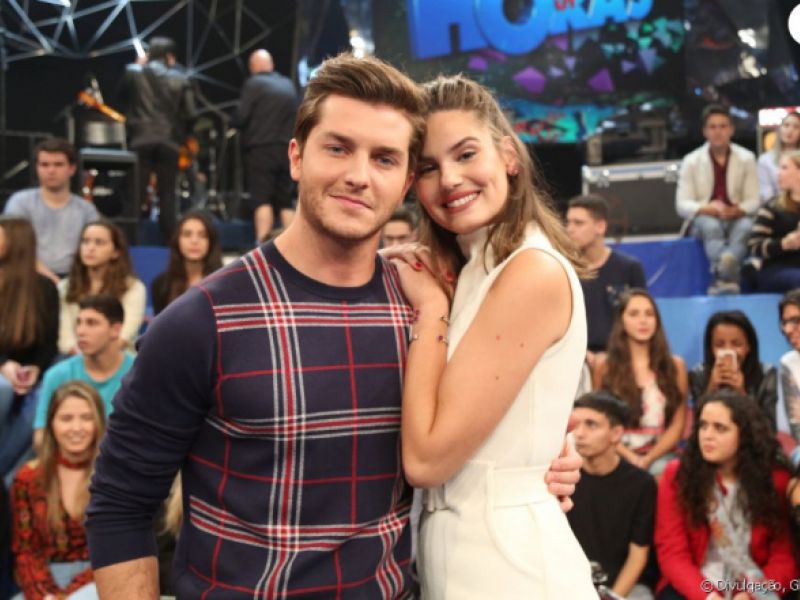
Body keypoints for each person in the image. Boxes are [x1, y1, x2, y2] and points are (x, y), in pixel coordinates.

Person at [84, 54, 582, 599]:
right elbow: (120, 505)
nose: (358, 176)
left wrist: (539, 460)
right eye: (338, 148)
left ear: (405, 181)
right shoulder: (203, 321)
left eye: (384, 158)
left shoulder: (426, 306)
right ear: (296, 157)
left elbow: (485, 420)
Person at [387, 73, 595, 597]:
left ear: (508, 155)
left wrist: (431, 311)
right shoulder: (471, 268)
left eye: (465, 154)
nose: (450, 179)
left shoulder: (530, 271)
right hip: (466, 558)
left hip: (511, 570)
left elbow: (426, 460)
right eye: (428, 167)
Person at [654, 390, 797, 599]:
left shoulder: (775, 479)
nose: (707, 435)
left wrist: (751, 595)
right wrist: (708, 596)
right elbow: (673, 554)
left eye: (720, 428)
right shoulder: (678, 476)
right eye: (703, 426)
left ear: (744, 435)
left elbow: (783, 557)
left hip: (754, 586)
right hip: (696, 587)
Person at [10, 381, 105, 600]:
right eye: (66, 419)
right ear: (51, 424)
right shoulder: (28, 478)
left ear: (99, 422)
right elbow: (26, 552)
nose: (76, 428)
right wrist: (45, 595)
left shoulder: (113, 477)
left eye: (86, 418)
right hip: (44, 584)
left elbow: (117, 549)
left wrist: (66, 596)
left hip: (100, 580)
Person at [568, 391, 657, 600]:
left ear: (616, 433)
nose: (579, 434)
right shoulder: (564, 476)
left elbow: (638, 556)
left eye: (591, 425)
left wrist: (612, 597)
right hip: (570, 583)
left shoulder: (641, 484)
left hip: (626, 587)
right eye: (575, 425)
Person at [592, 289, 688, 476]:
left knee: (662, 470)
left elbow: (678, 424)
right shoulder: (604, 366)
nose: (643, 320)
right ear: (621, 321)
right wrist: (630, 457)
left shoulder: (675, 366)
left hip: (660, 454)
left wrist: (647, 459)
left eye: (649, 314)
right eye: (634, 314)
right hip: (617, 452)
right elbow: (599, 420)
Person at [676, 104, 759, 294]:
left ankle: (722, 273)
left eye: (722, 126)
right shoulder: (691, 161)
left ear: (731, 129)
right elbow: (681, 204)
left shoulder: (746, 158)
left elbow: (754, 199)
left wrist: (738, 210)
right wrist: (706, 208)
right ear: (705, 131)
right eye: (712, 127)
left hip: (736, 216)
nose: (718, 132)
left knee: (745, 227)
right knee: (711, 226)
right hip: (705, 218)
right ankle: (728, 272)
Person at [119, 36, 195, 243]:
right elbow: (190, 114)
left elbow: (121, 97)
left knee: (135, 194)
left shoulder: (133, 72)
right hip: (168, 140)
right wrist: (180, 135)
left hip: (140, 138)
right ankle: (169, 245)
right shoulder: (181, 78)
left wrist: (138, 65)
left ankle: (129, 244)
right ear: (170, 56)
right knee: (167, 194)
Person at [0, 217, 59, 481]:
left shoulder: (44, 288)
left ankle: (7, 481)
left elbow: (48, 342)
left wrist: (35, 368)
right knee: (3, 388)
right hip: (3, 370)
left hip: (29, 372)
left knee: (46, 394)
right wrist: (4, 364)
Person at [34, 296, 133, 451]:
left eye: (91, 323)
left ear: (115, 330)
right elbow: (41, 436)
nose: (81, 331)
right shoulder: (57, 375)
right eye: (79, 323)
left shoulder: (139, 374)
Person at [3, 138, 99, 281]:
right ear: (37, 168)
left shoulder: (86, 210)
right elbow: (14, 247)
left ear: (72, 169)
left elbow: (96, 249)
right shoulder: (20, 202)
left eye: (58, 164)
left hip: (75, 281)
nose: (51, 170)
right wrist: (52, 281)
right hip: (28, 278)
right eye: (44, 165)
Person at [566, 193, 647, 358]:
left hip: (621, 359)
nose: (570, 229)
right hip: (576, 358)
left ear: (600, 227)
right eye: (568, 222)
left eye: (578, 223)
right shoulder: (564, 270)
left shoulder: (629, 268)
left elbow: (641, 317)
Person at [232, 49, 298, 243]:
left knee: (262, 199)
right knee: (286, 201)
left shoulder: (254, 84)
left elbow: (241, 116)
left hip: (261, 149)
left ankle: (262, 246)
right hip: (287, 150)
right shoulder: (288, 84)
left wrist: (233, 122)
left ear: (253, 67)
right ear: (271, 65)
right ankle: (295, 246)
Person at [57, 220, 145, 354]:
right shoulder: (64, 287)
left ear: (116, 252)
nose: (90, 248)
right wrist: (84, 357)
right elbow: (65, 337)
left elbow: (126, 334)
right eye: (85, 241)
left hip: (119, 356)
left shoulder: (134, 288)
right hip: (75, 357)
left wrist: (100, 357)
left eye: (99, 242)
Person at [689, 310, 777, 428]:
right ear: (711, 348)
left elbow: (769, 429)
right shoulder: (698, 374)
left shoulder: (767, 374)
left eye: (737, 344)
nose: (728, 350)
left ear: (748, 346)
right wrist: (711, 389)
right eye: (720, 345)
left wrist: (742, 394)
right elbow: (698, 426)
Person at [747, 150, 800, 292]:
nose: (778, 173)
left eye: (784, 168)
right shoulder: (772, 207)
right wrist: (783, 244)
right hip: (777, 268)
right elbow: (754, 247)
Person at [150, 211, 223, 315]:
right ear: (177, 241)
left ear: (211, 243)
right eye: (187, 234)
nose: (194, 241)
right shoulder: (161, 285)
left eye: (202, 235)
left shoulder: (224, 284)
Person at [777, 289, 800, 467]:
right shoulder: (788, 364)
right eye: (785, 323)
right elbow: (797, 427)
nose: (788, 330)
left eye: (796, 321)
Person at [757, 111, 800, 203]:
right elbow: (767, 194)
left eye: (796, 127)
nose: (790, 130)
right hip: (777, 207)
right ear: (779, 129)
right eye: (786, 125)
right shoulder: (765, 160)